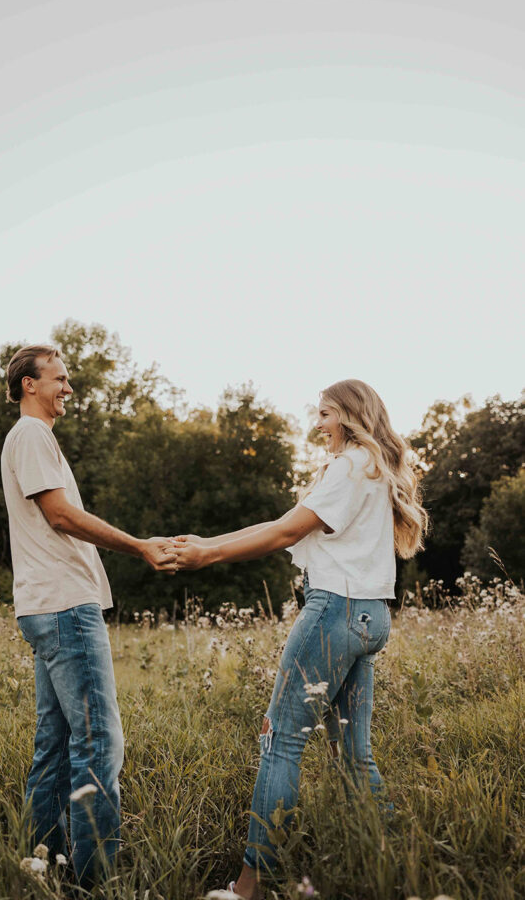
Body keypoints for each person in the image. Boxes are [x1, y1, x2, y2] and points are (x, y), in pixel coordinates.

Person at [171, 379, 427, 900]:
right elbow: (285, 522)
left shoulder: (350, 463)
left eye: (326, 413)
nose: (318, 424)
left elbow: (287, 532)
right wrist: (209, 543)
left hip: (333, 612)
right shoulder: (374, 468)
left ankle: (249, 888)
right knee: (353, 755)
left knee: (279, 741)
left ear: (351, 415)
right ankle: (389, 867)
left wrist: (208, 555)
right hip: (370, 618)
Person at [1, 344, 177, 889]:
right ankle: (93, 881)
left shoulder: (32, 439)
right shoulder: (31, 435)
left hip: (47, 606)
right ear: (30, 384)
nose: (69, 388)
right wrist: (140, 546)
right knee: (99, 742)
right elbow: (60, 516)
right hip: (64, 607)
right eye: (60, 378)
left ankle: (45, 866)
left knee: (55, 744)